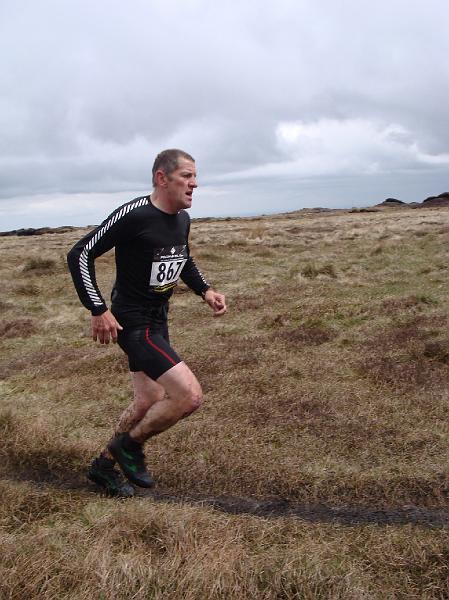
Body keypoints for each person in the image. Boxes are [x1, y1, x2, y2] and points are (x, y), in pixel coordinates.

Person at [67, 149, 226, 497]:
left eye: (195, 176)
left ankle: (103, 466)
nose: (194, 184)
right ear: (161, 178)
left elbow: (181, 258)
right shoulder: (134, 215)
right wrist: (97, 308)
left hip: (158, 318)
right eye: (187, 176)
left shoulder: (182, 219)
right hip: (133, 322)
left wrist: (205, 291)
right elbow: (80, 253)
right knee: (189, 397)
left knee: (147, 400)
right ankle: (130, 445)